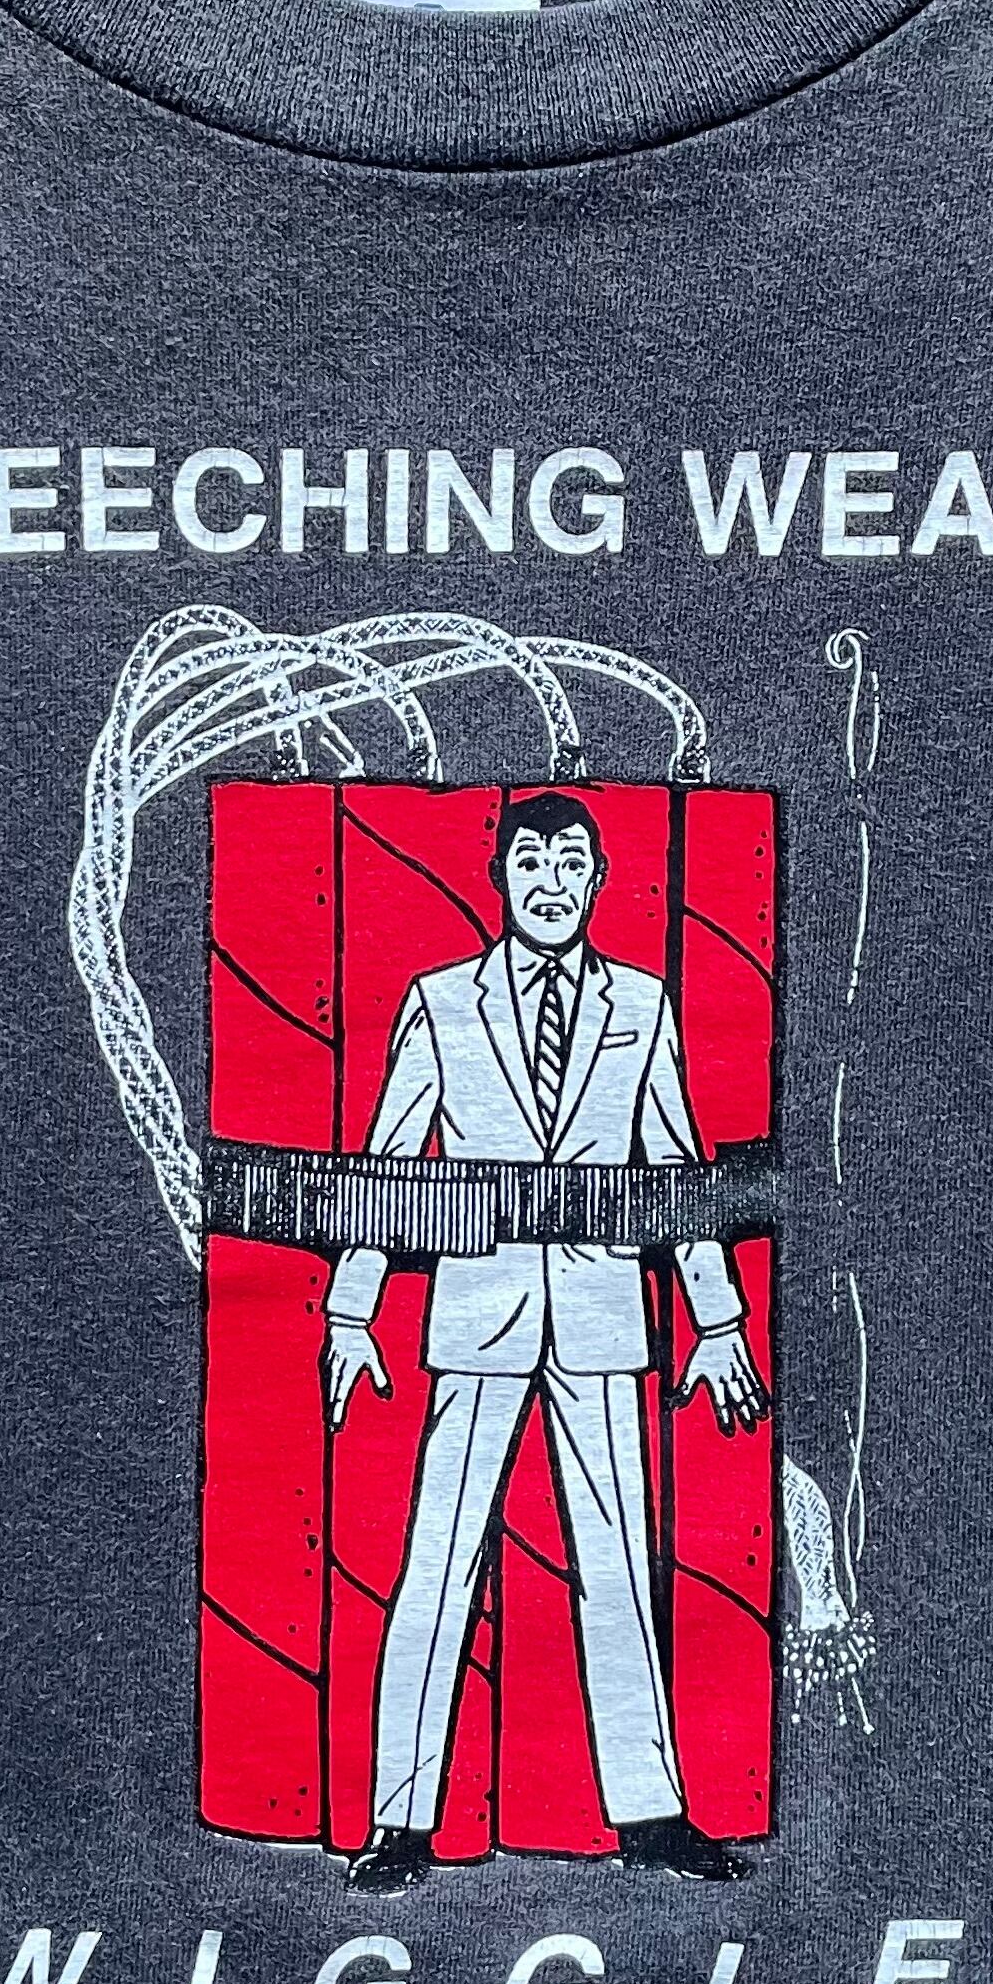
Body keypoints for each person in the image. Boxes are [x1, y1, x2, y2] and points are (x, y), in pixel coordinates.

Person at [323, 791, 766, 1892]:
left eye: (572, 863)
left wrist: (717, 1319)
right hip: (479, 1314)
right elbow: (387, 1169)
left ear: (600, 880)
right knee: (440, 1559)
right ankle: (399, 1820)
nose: (551, 883)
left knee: (618, 1567)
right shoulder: (442, 1003)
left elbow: (674, 1174)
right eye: (531, 862)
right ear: (502, 878)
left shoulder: (643, 1005)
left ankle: (651, 1813)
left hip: (603, 1316)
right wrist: (351, 1309)